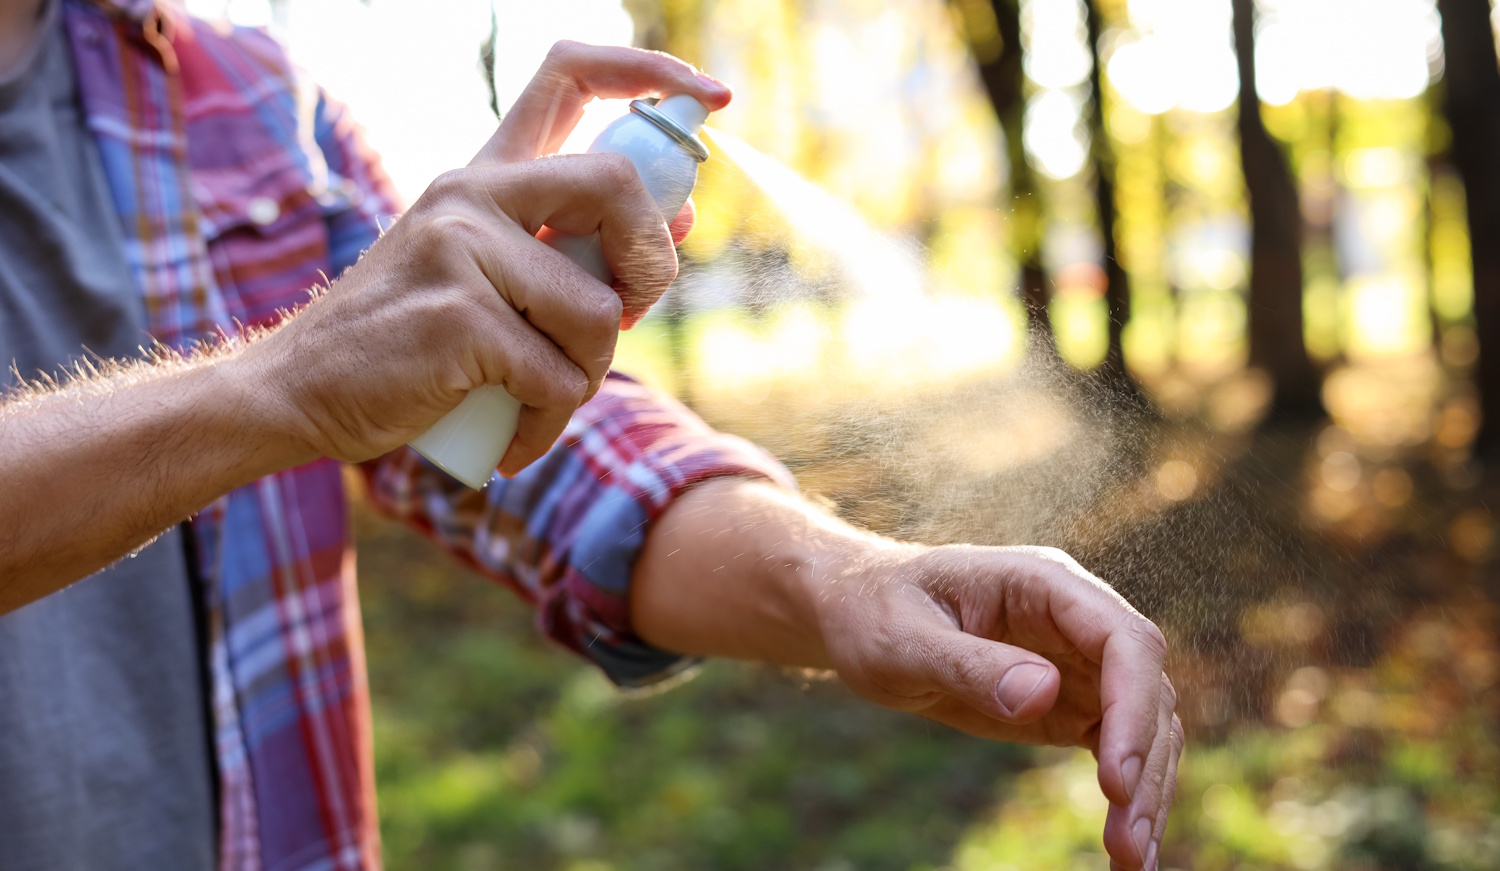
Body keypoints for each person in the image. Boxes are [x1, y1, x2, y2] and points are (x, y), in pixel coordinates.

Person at [0, 1, 1181, 870]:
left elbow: (509, 434)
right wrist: (277, 387)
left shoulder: (248, 103)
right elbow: (324, 373)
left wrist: (842, 580)